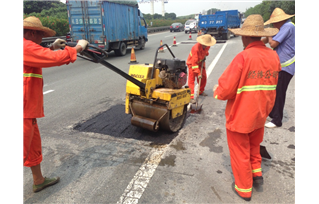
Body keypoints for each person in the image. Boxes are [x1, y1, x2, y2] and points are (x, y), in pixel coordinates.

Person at [213, 15, 281, 201]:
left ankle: (244, 188)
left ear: (244, 37)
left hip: (241, 115)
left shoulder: (243, 57)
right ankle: (256, 173)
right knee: (254, 145)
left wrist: (217, 92)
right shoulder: (273, 56)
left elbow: (226, 89)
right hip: (261, 113)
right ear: (260, 36)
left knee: (239, 150)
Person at [23, 16, 89, 192]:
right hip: (23, 110)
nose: (42, 39)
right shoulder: (25, 46)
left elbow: (38, 57)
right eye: (40, 35)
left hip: (28, 109)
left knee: (32, 147)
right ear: (30, 33)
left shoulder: (28, 47)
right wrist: (78, 48)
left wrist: (51, 47)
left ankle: (39, 180)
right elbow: (52, 59)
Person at [262, 8, 295, 128]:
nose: (273, 25)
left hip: (286, 67)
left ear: (280, 21)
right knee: (275, 90)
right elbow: (267, 40)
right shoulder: (285, 27)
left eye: (274, 22)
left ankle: (277, 120)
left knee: (279, 92)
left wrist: (270, 34)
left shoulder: (287, 26)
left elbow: (273, 43)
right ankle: (273, 113)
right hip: (283, 66)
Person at [186, 34, 216, 103]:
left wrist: (205, 55)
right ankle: (191, 97)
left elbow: (206, 52)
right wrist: (198, 73)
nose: (207, 46)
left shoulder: (208, 46)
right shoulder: (196, 48)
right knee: (191, 80)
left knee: (203, 77)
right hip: (192, 64)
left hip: (200, 62)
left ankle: (200, 91)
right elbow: (194, 63)